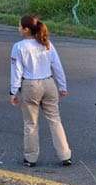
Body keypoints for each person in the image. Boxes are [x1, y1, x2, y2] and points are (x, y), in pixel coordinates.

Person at [10, 14, 72, 167]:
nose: (18, 28)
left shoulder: (19, 47)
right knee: (55, 120)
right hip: (49, 83)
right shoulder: (47, 44)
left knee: (31, 123)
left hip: (31, 85)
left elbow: (16, 71)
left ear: (26, 30)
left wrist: (13, 91)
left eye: (19, 26)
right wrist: (62, 86)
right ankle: (65, 155)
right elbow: (57, 66)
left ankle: (31, 158)